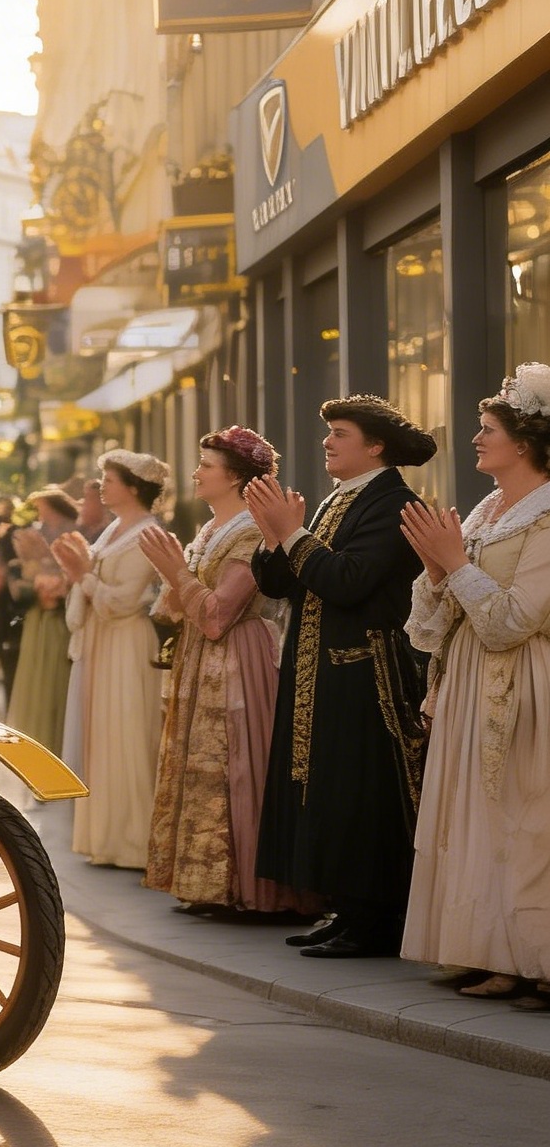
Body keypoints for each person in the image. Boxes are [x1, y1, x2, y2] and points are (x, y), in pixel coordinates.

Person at [248, 396, 434, 959]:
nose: (327, 441)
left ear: (375, 446)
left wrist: (292, 534)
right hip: (318, 670)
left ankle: (375, 918)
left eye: (341, 433)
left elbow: (349, 580)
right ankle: (347, 909)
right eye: (328, 431)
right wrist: (272, 533)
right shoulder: (339, 498)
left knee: (361, 794)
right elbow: (283, 584)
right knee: (327, 791)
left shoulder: (395, 503)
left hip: (367, 673)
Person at [400, 369, 550, 1005]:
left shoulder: (545, 517)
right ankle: (491, 950)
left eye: (488, 430)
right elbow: (438, 622)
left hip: (522, 683)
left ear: (524, 442)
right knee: (478, 820)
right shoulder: (490, 510)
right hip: (469, 679)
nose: (476, 438)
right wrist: (437, 571)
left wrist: (455, 563)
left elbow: (515, 620)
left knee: (524, 819)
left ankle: (536, 959)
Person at [140, 427, 314, 915]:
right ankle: (206, 881)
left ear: (235, 477)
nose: (196, 472)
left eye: (206, 465)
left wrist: (175, 571)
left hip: (240, 658)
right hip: (200, 657)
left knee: (239, 765)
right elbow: (176, 610)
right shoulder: (211, 529)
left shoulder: (251, 530)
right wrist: (172, 571)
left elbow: (219, 615)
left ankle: (248, 886)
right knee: (200, 763)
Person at [55, 451, 167, 867]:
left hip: (125, 640)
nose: (103, 486)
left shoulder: (147, 534)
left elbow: (122, 601)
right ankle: (105, 838)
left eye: (110, 479)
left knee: (127, 734)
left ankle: (134, 840)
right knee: (103, 736)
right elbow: (92, 585)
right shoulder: (114, 530)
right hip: (103, 640)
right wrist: (79, 574)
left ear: (134, 487)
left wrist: (82, 573)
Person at [5, 487, 77, 756]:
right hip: (39, 619)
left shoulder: (71, 535)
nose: (41, 518)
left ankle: (54, 745)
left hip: (57, 622)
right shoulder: (37, 535)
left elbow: (70, 574)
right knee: (35, 684)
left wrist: (46, 569)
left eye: (44, 511)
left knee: (52, 684)